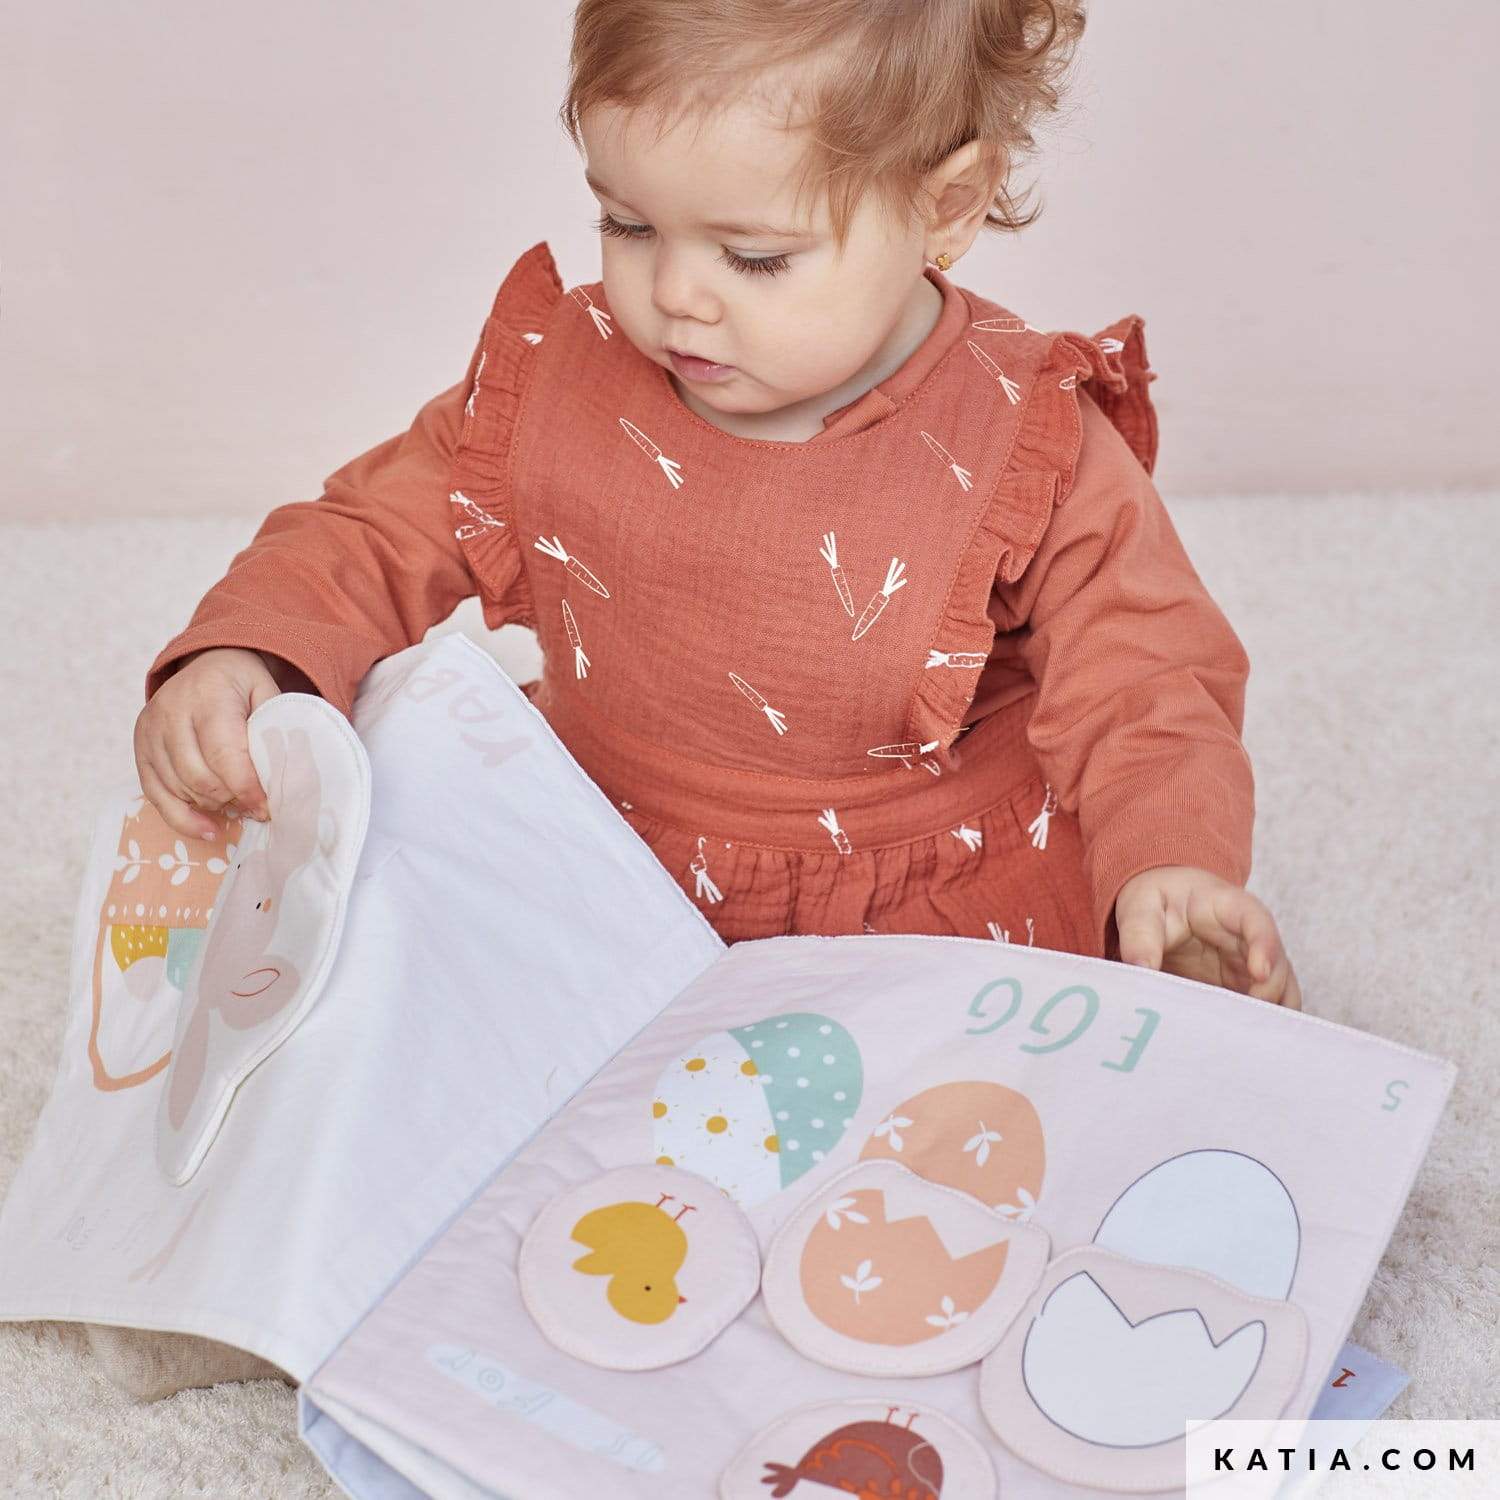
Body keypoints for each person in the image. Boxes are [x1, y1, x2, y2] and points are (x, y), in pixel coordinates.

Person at [136, 0, 1301, 1009]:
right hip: (599, 843)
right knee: (420, 1036)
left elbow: (1146, 676)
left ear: (947, 206)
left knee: (948, 1136)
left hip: (917, 897)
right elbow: (373, 526)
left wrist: (1171, 860)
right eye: (629, 224)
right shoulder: (560, 375)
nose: (675, 294)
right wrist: (255, 646)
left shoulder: (1020, 440)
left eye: (754, 258)